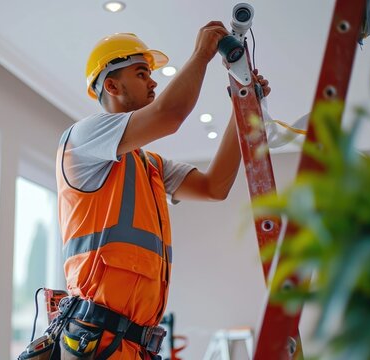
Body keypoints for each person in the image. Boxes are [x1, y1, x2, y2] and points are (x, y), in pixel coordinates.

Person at [55, 21, 271, 359]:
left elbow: (215, 187)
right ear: (111, 85)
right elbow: (169, 115)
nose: (153, 81)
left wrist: (243, 110)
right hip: (96, 341)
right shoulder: (82, 140)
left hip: (132, 344)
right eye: (141, 73)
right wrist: (202, 55)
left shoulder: (149, 164)